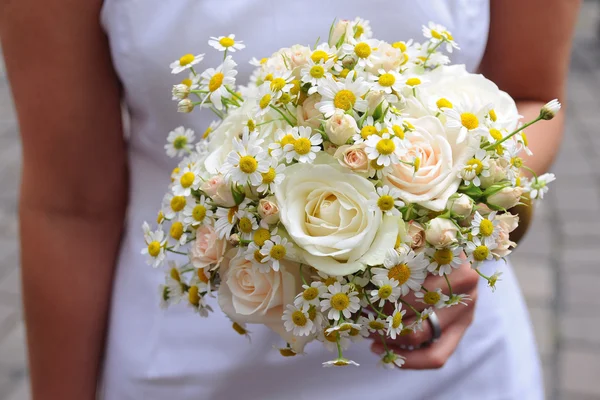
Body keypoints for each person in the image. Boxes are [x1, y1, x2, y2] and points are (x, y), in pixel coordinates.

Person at [0, 0, 579, 399]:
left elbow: (530, 96)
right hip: (184, 363)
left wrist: (454, 228)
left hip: (444, 364)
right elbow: (70, 204)